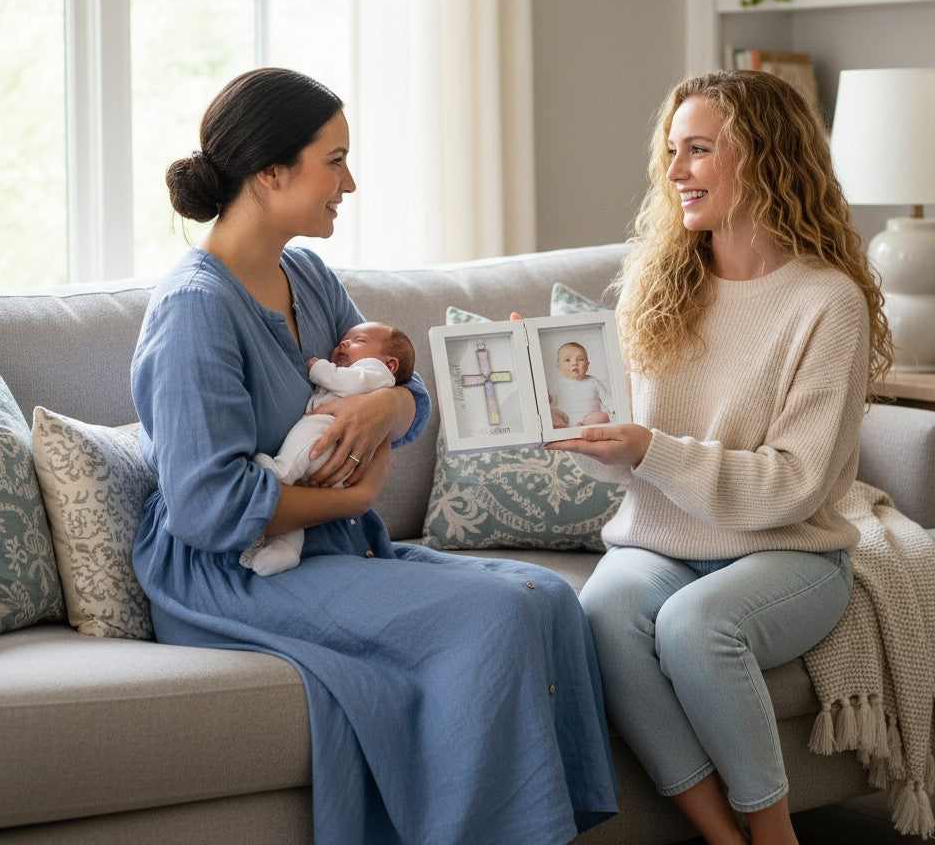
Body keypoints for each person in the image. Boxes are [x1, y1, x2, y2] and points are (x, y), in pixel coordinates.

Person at [130, 68, 618, 845]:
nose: (348, 182)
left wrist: (389, 403)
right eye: (335, 160)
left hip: (323, 549)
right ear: (269, 171)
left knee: (549, 598)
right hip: (228, 573)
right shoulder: (196, 310)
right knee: (492, 614)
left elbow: (406, 390)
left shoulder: (308, 276)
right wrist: (353, 501)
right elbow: (206, 508)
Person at [553, 69, 894, 845]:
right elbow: (632, 460)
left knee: (697, 626)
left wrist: (650, 447)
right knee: (600, 614)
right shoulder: (660, 282)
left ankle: (773, 834)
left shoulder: (825, 302)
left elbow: (794, 485)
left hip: (789, 550)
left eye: (698, 150)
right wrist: (590, 435)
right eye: (672, 151)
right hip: (660, 540)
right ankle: (720, 835)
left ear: (765, 158)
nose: (674, 172)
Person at [240, 320, 416, 576]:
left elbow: (351, 383)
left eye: (359, 340)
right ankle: (285, 549)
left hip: (330, 432)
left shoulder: (376, 372)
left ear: (390, 364)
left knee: (305, 437)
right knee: (301, 506)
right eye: (344, 339)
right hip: (339, 468)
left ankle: (279, 474)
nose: (344, 343)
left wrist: (318, 367)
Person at [548, 340, 612, 428]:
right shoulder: (558, 383)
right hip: (565, 419)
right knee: (550, 414)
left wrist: (616, 412)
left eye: (580, 359)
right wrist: (548, 397)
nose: (575, 363)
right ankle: (564, 428)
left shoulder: (593, 381)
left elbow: (608, 399)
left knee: (602, 416)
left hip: (589, 418)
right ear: (559, 367)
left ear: (587, 365)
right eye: (567, 360)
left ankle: (584, 426)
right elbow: (552, 400)